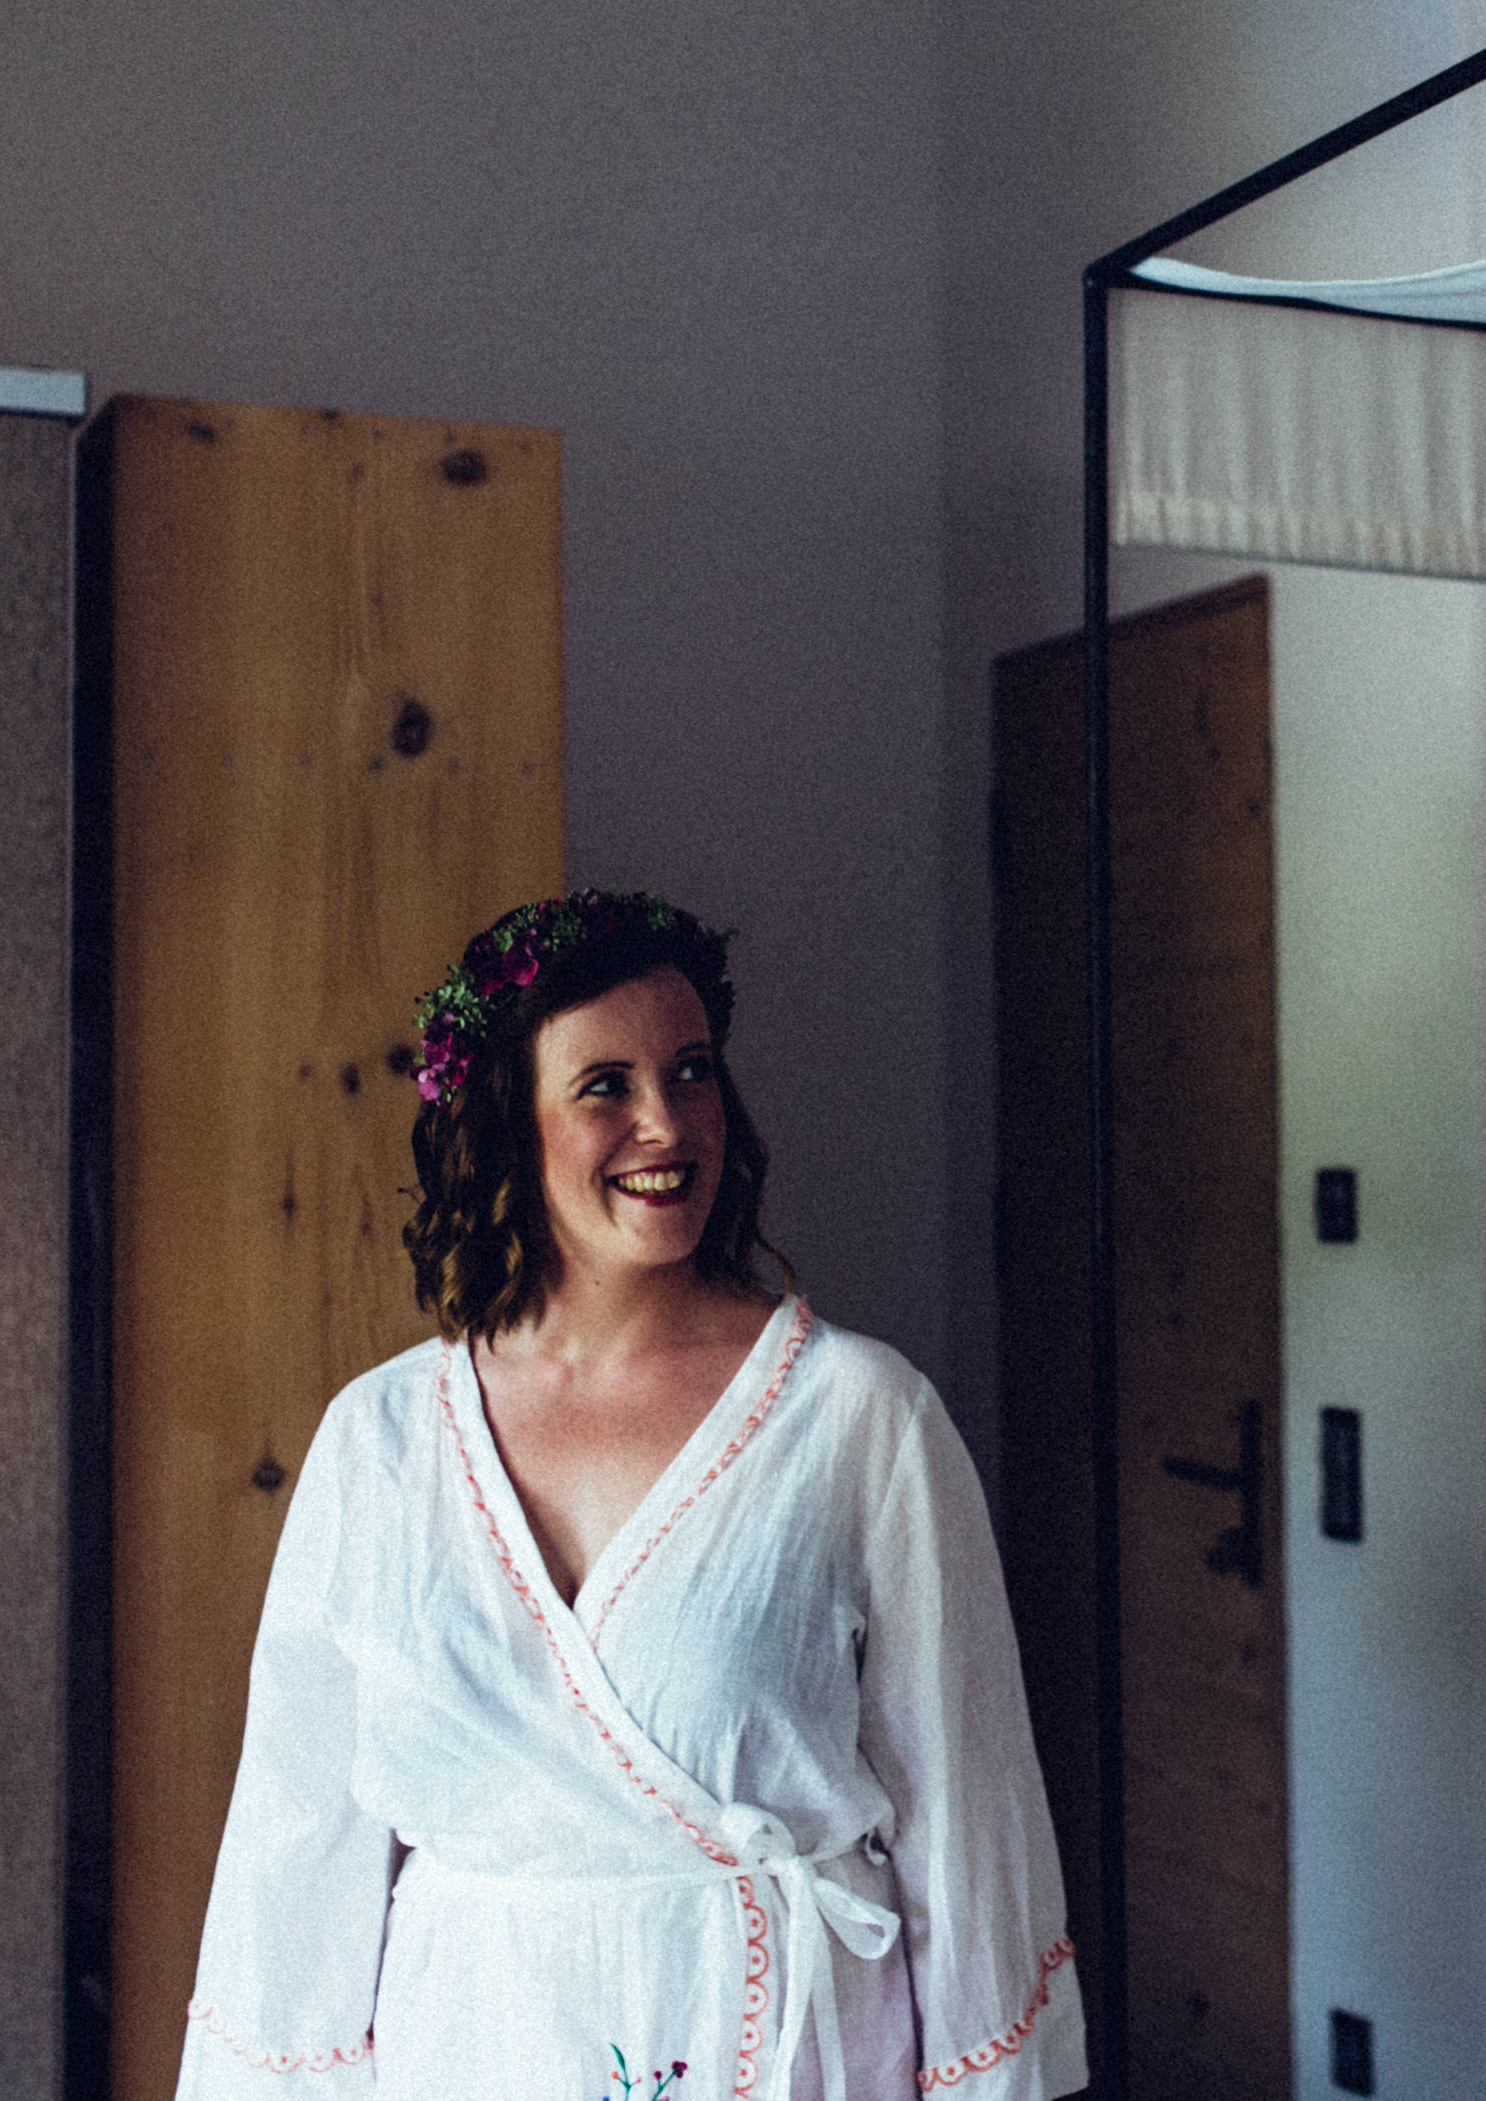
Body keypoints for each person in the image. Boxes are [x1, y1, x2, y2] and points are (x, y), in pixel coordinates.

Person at [178, 889, 1083, 2101]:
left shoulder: (858, 1415)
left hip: (777, 2049)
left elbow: (966, 1810)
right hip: (471, 2048)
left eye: (692, 1070)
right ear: (509, 1121)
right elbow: (297, 1840)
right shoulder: (380, 1441)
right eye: (604, 1084)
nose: (666, 1121)